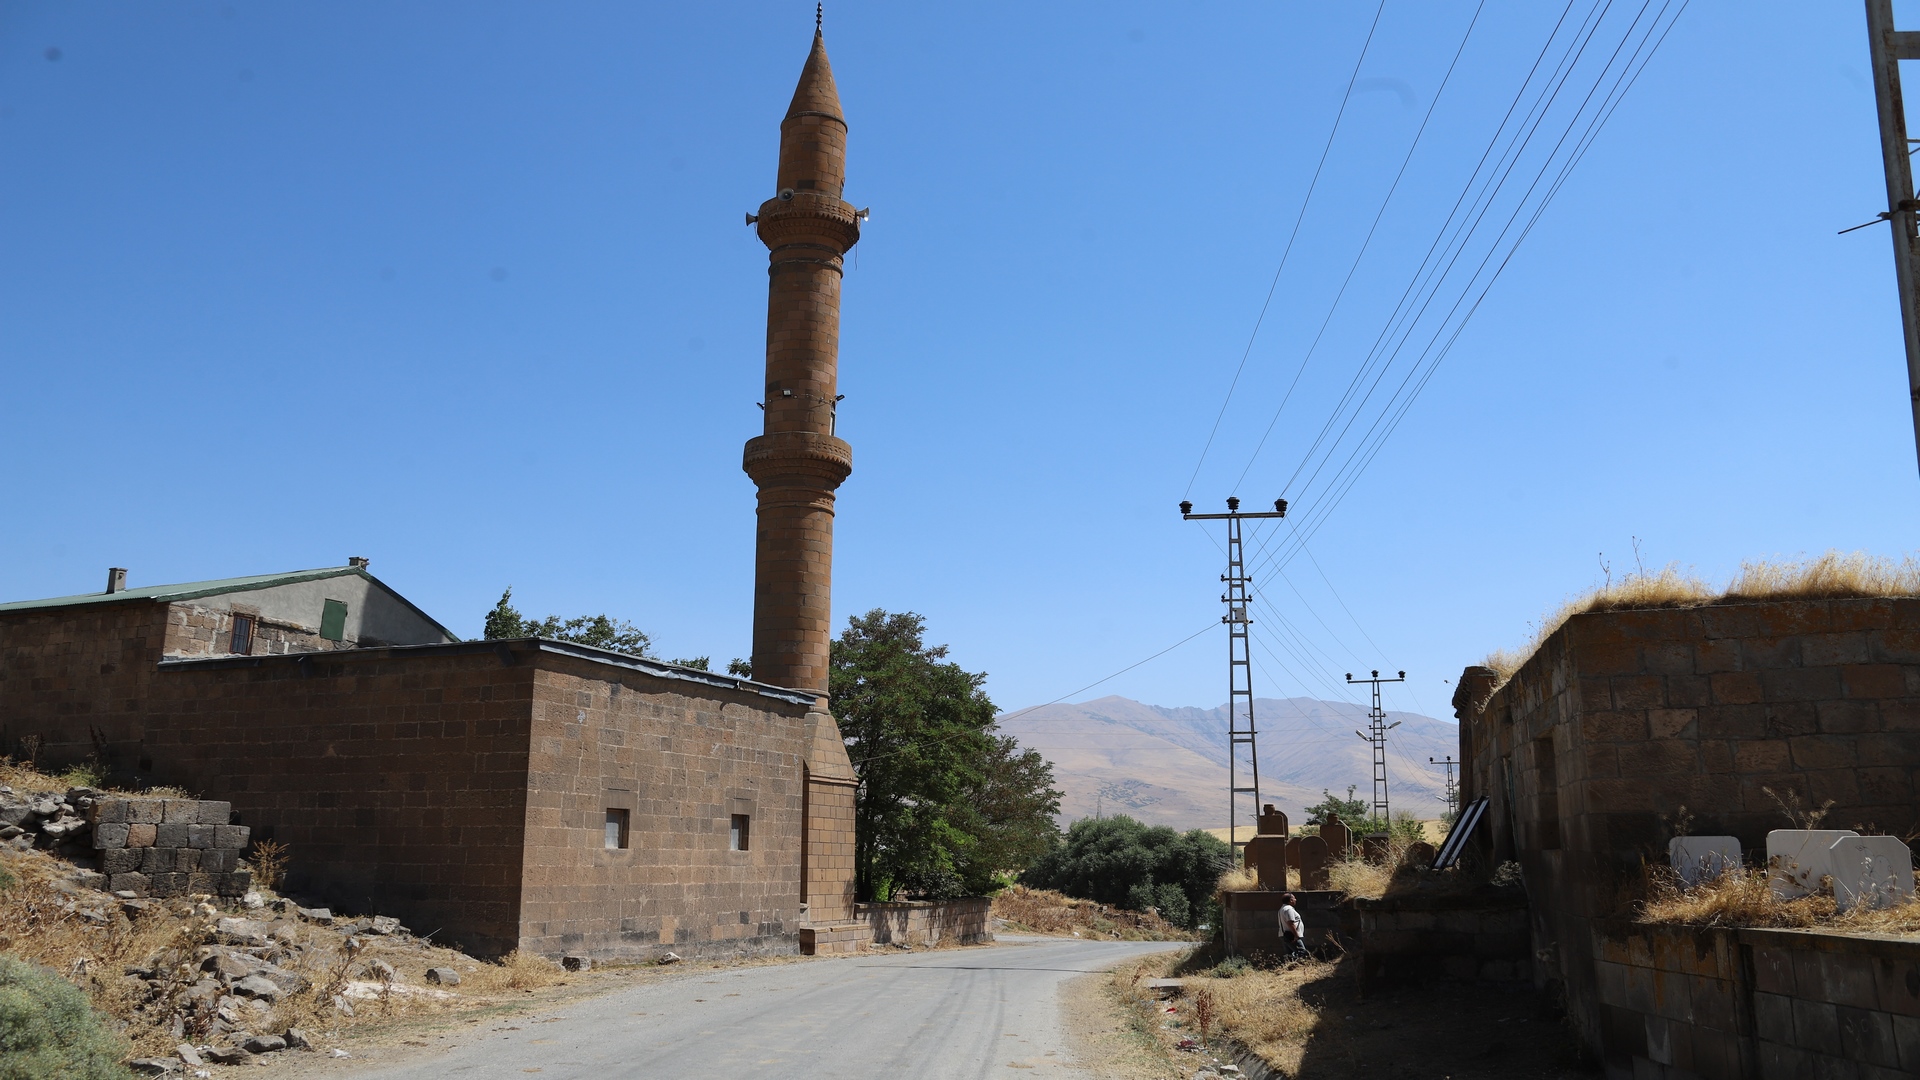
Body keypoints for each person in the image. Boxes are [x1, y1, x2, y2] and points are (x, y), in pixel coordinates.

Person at [1278, 892, 1308, 962]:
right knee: (1302, 952)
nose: (1295, 900)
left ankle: (1290, 966)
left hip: (1284, 935)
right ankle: (1300, 966)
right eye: (1294, 898)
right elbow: (1290, 923)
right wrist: (1296, 936)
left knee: (1290, 954)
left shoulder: (1282, 909)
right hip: (1291, 936)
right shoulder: (1289, 909)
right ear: (1291, 900)